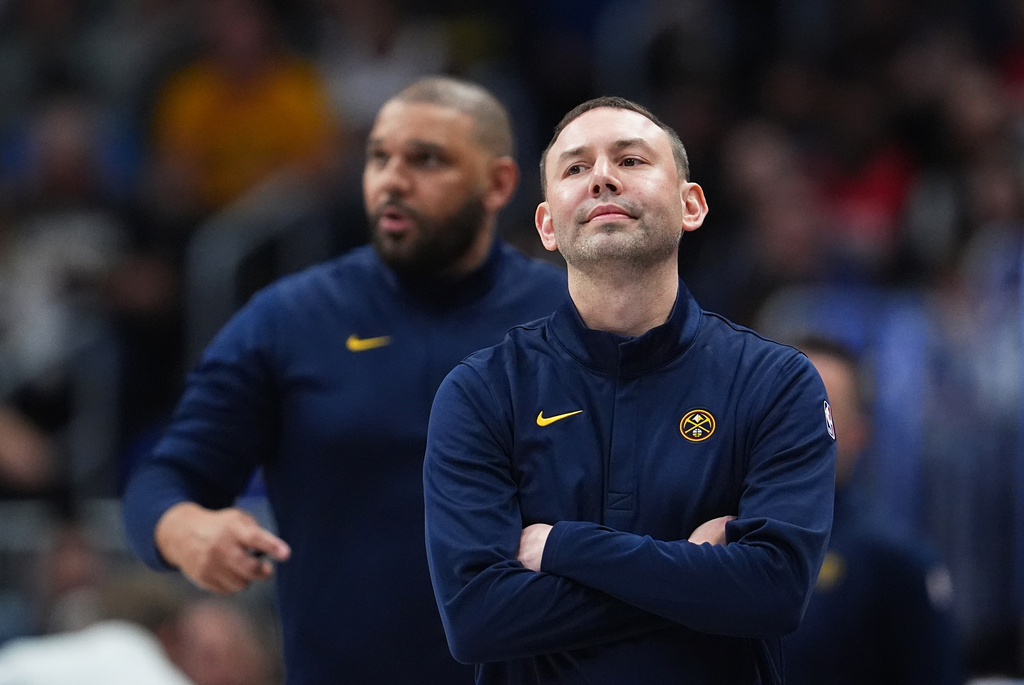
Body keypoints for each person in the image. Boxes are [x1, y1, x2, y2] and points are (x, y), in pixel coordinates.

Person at [121, 76, 568, 684]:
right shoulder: (290, 319)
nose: (393, 180)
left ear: (499, 184)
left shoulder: (573, 318)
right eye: (378, 157)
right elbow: (165, 478)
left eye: (427, 160)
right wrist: (181, 529)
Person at [422, 96, 837, 684]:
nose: (602, 179)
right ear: (546, 225)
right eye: (574, 168)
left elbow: (774, 593)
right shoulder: (482, 392)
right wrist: (695, 578)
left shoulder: (776, 382)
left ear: (691, 205)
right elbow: (478, 620)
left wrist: (566, 549)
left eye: (632, 160)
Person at [783, 336, 964, 685]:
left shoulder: (896, 559)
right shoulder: (712, 533)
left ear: (857, 435)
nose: (791, 426)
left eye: (821, 411)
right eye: (781, 405)